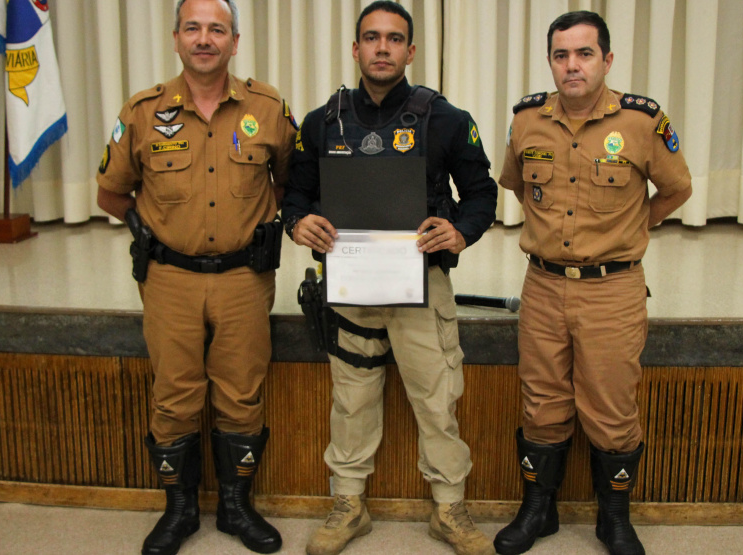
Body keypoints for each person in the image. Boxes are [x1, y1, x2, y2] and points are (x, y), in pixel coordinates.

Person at [282, 2, 498, 555]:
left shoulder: (446, 118)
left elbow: (481, 196)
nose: (382, 48)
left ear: (410, 50)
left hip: (420, 286)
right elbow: (296, 195)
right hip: (350, 289)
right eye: (371, 39)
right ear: (355, 49)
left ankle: (449, 507)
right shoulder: (321, 121)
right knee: (352, 398)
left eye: (394, 39)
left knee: (436, 397)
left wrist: (460, 233)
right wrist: (299, 222)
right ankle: (349, 503)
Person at [95, 1, 296, 554]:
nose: (204, 39)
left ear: (235, 41)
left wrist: (251, 224)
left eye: (216, 29)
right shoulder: (141, 112)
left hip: (242, 280)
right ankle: (179, 510)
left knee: (241, 394)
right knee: (174, 396)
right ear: (176, 39)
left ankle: (235, 506)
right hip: (170, 280)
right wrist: (149, 232)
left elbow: (287, 182)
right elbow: (110, 192)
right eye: (193, 28)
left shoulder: (268, 107)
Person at [495, 10, 693, 555]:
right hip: (543, 287)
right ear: (551, 62)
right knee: (541, 402)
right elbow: (517, 186)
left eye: (584, 54)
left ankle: (614, 520)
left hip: (613, 290)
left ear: (607, 60)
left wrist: (634, 226)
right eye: (561, 55)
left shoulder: (641, 122)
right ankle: (539, 512)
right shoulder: (527, 120)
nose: (572, 65)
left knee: (611, 408)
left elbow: (677, 190)